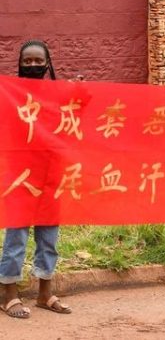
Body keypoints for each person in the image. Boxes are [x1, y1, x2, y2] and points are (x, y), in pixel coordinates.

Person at [1, 40, 72, 318]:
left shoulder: (56, 95)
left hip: (50, 175)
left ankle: (45, 293)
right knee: (16, 236)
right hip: (18, 176)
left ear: (47, 63)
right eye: (27, 61)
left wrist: (82, 93)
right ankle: (8, 294)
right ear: (19, 64)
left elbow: (77, 115)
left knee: (49, 237)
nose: (32, 65)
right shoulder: (9, 94)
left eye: (37, 61)